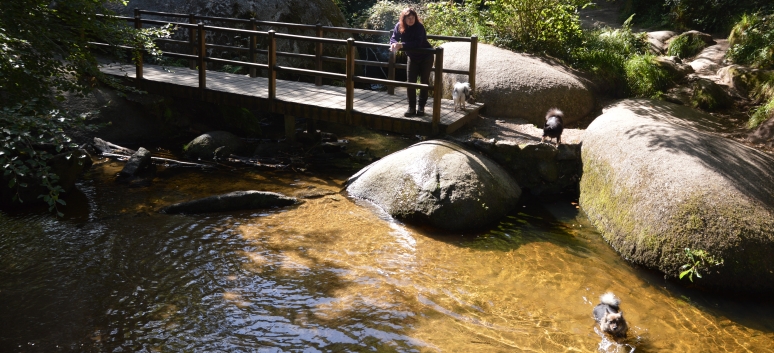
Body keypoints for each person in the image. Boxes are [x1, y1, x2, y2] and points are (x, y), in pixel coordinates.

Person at [389, 8, 433, 117]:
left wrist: (402, 45)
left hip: (425, 57)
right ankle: (411, 107)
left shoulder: (419, 27)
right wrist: (394, 44)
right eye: (408, 18)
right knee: (410, 82)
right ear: (404, 19)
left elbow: (417, 43)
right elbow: (393, 38)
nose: (411, 20)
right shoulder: (399, 26)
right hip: (412, 57)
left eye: (413, 17)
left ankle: (421, 107)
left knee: (424, 82)